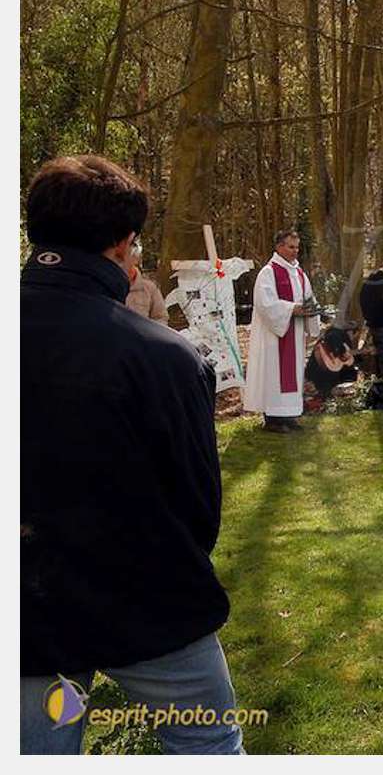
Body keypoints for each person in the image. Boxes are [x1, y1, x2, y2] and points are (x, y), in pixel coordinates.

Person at [20, 155, 242, 754]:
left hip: (23, 605)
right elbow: (198, 505)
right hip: (149, 596)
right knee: (207, 746)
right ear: (123, 245)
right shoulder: (165, 357)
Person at [242, 230, 319, 433]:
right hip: (274, 336)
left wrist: (312, 310)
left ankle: (289, 415)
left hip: (294, 334)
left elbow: (309, 298)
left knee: (293, 375)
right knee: (274, 374)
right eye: (290, 247)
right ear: (279, 247)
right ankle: (273, 418)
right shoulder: (269, 272)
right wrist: (292, 308)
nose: (295, 251)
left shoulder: (299, 273)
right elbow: (264, 304)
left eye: (297, 247)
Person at [125, 238, 168, 324]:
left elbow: (161, 318)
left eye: (127, 255)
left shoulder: (149, 288)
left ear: (136, 258)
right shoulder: (106, 286)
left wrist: (148, 334)